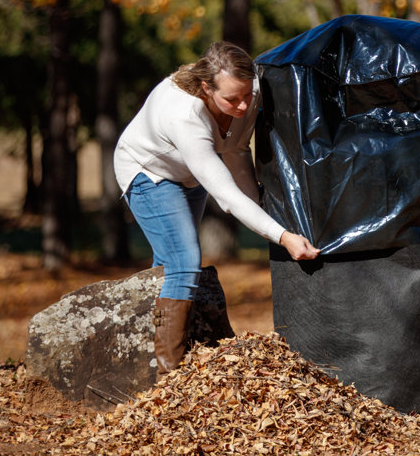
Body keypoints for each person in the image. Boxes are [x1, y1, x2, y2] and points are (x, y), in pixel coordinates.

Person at [114, 41, 319, 379]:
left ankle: (152, 353)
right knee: (183, 262)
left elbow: (237, 151)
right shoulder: (185, 116)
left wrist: (264, 217)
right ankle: (170, 379)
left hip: (190, 173)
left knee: (170, 263)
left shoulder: (247, 92)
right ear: (207, 88)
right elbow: (226, 195)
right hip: (147, 170)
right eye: (231, 99)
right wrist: (282, 236)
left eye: (247, 96)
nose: (242, 105)